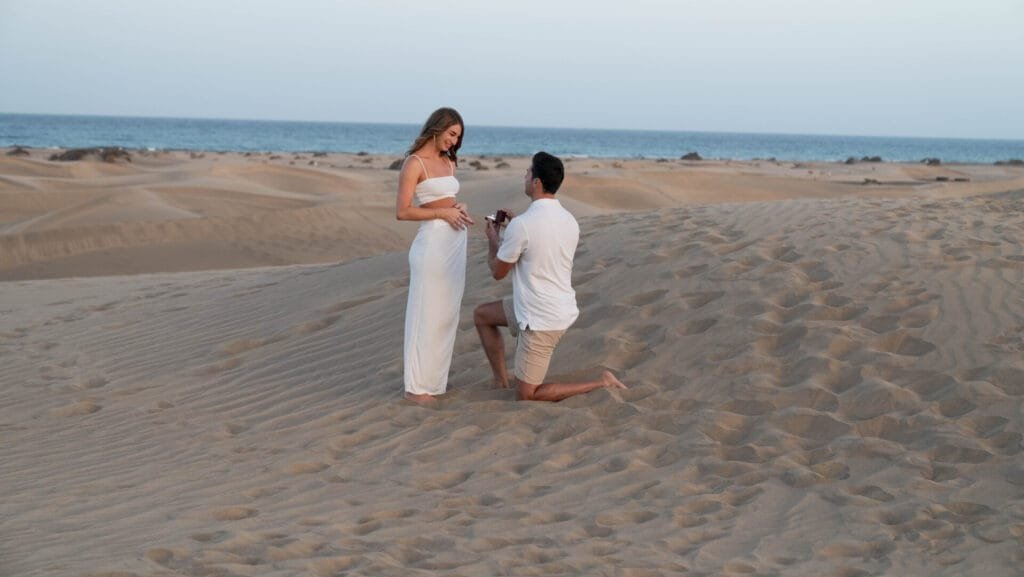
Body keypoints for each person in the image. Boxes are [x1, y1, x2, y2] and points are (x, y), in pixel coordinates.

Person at [474, 152, 627, 401]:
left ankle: (602, 382)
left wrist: (494, 241)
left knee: (527, 396)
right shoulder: (568, 220)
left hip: (541, 319)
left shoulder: (522, 226)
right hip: (544, 305)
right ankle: (500, 381)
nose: (524, 175)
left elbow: (497, 272)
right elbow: (541, 244)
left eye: (528, 172)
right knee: (482, 315)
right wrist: (514, 229)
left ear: (536, 182)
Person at [397, 107, 474, 404]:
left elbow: (447, 199)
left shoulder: (448, 162)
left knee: (446, 315)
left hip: (454, 245)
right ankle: (415, 388)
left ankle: (434, 384)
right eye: (452, 134)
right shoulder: (414, 163)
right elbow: (402, 211)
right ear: (438, 128)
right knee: (425, 315)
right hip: (431, 246)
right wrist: (443, 213)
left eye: (458, 137)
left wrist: (459, 207)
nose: (454, 142)